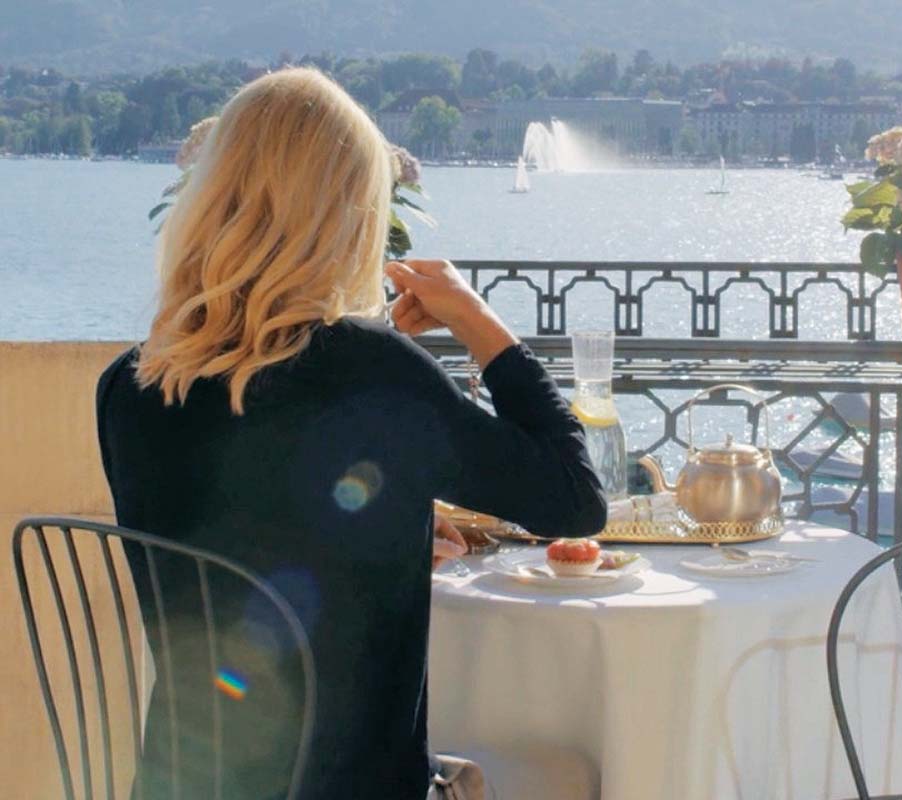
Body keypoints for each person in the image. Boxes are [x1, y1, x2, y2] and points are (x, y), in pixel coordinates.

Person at [95, 67, 605, 799]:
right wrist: (476, 320)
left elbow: (233, 529)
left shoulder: (128, 386)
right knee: (569, 772)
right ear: (344, 213)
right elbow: (574, 500)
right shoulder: (372, 372)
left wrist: (381, 540)